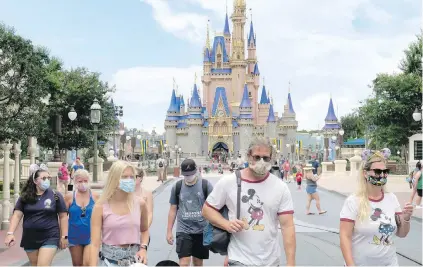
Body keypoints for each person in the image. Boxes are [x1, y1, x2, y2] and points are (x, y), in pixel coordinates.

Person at [202, 137, 296, 266]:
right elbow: (207, 210)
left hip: (270, 261)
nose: (261, 161)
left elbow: (287, 226)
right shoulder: (229, 182)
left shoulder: (280, 187)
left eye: (266, 158)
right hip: (239, 259)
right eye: (257, 157)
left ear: (271, 158)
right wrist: (226, 224)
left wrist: (291, 263)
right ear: (248, 156)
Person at [339, 149, 414, 266]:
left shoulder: (392, 198)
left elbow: (402, 233)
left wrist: (406, 218)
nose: (382, 175)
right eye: (378, 171)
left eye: (385, 171)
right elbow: (345, 236)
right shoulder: (353, 201)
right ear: (365, 173)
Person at [4, 163, 68, 266]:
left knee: (42, 265)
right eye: (43, 178)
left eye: (48, 177)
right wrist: (10, 233)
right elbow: (17, 215)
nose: (47, 180)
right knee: (34, 264)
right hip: (30, 237)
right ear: (35, 181)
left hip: (50, 236)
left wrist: (64, 236)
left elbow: (63, 216)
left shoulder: (55, 195)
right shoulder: (25, 197)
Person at [89, 160, 150, 266]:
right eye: (124, 177)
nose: (129, 180)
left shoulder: (140, 203)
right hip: (110, 261)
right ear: (114, 179)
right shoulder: (100, 206)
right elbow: (95, 244)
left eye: (132, 177)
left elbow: (144, 230)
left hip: (134, 261)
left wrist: (143, 248)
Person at [167, 159, 213, 267]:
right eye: (186, 175)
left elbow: (214, 208)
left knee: (198, 262)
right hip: (183, 230)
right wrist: (169, 231)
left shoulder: (206, 185)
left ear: (196, 171)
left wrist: (213, 229)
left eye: (191, 174)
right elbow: (173, 209)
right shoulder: (177, 187)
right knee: (184, 262)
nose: (188, 177)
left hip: (202, 230)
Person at [65, 169, 100, 266]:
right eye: (80, 181)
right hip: (74, 237)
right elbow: (63, 217)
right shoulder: (69, 197)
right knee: (77, 264)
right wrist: (64, 236)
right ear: (75, 182)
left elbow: (102, 217)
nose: (83, 183)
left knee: (89, 263)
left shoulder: (96, 196)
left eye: (85, 181)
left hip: (91, 237)